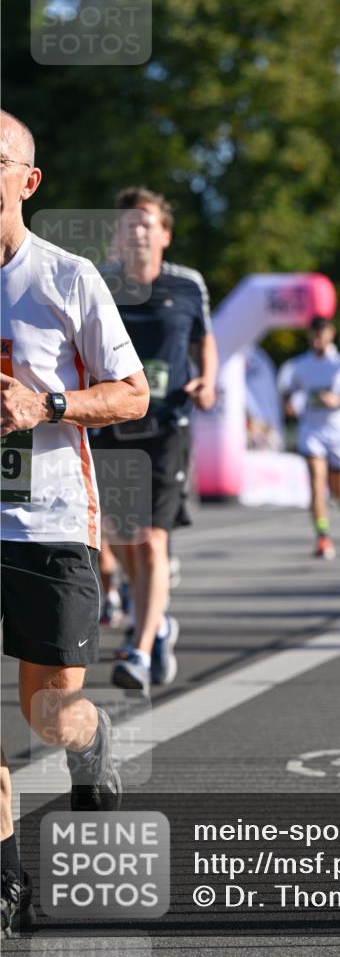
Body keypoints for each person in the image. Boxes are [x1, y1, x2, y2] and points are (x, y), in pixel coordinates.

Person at [0, 110, 149, 936]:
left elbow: (133, 394)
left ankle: (90, 743)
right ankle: (6, 880)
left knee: (49, 713)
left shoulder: (65, 277)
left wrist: (45, 405)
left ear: (28, 180)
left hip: (49, 525)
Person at [93, 187, 218, 696]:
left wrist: (207, 381)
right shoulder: (98, 282)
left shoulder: (187, 284)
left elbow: (203, 339)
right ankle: (159, 622)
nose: (137, 231)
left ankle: (140, 651)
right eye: (128, 224)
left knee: (152, 538)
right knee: (121, 536)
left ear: (165, 234)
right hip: (112, 424)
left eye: (146, 223)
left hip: (167, 426)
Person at [278, 317, 340, 559]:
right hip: (312, 430)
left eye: (322, 333)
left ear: (331, 334)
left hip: (339, 431)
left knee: (339, 491)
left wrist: (339, 399)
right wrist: (289, 404)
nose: (317, 338)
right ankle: (323, 537)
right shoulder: (300, 365)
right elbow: (289, 392)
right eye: (314, 333)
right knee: (316, 482)